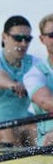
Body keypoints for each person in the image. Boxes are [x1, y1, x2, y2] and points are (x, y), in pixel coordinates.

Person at [0, 15, 39, 146]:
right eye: (18, 38)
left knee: (37, 129)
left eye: (27, 39)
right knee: (8, 132)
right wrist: (13, 85)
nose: (23, 44)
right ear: (4, 37)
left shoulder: (34, 64)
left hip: (20, 127)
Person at [27, 13, 53, 146]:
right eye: (52, 35)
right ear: (42, 39)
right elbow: (46, 102)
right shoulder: (35, 73)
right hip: (48, 139)